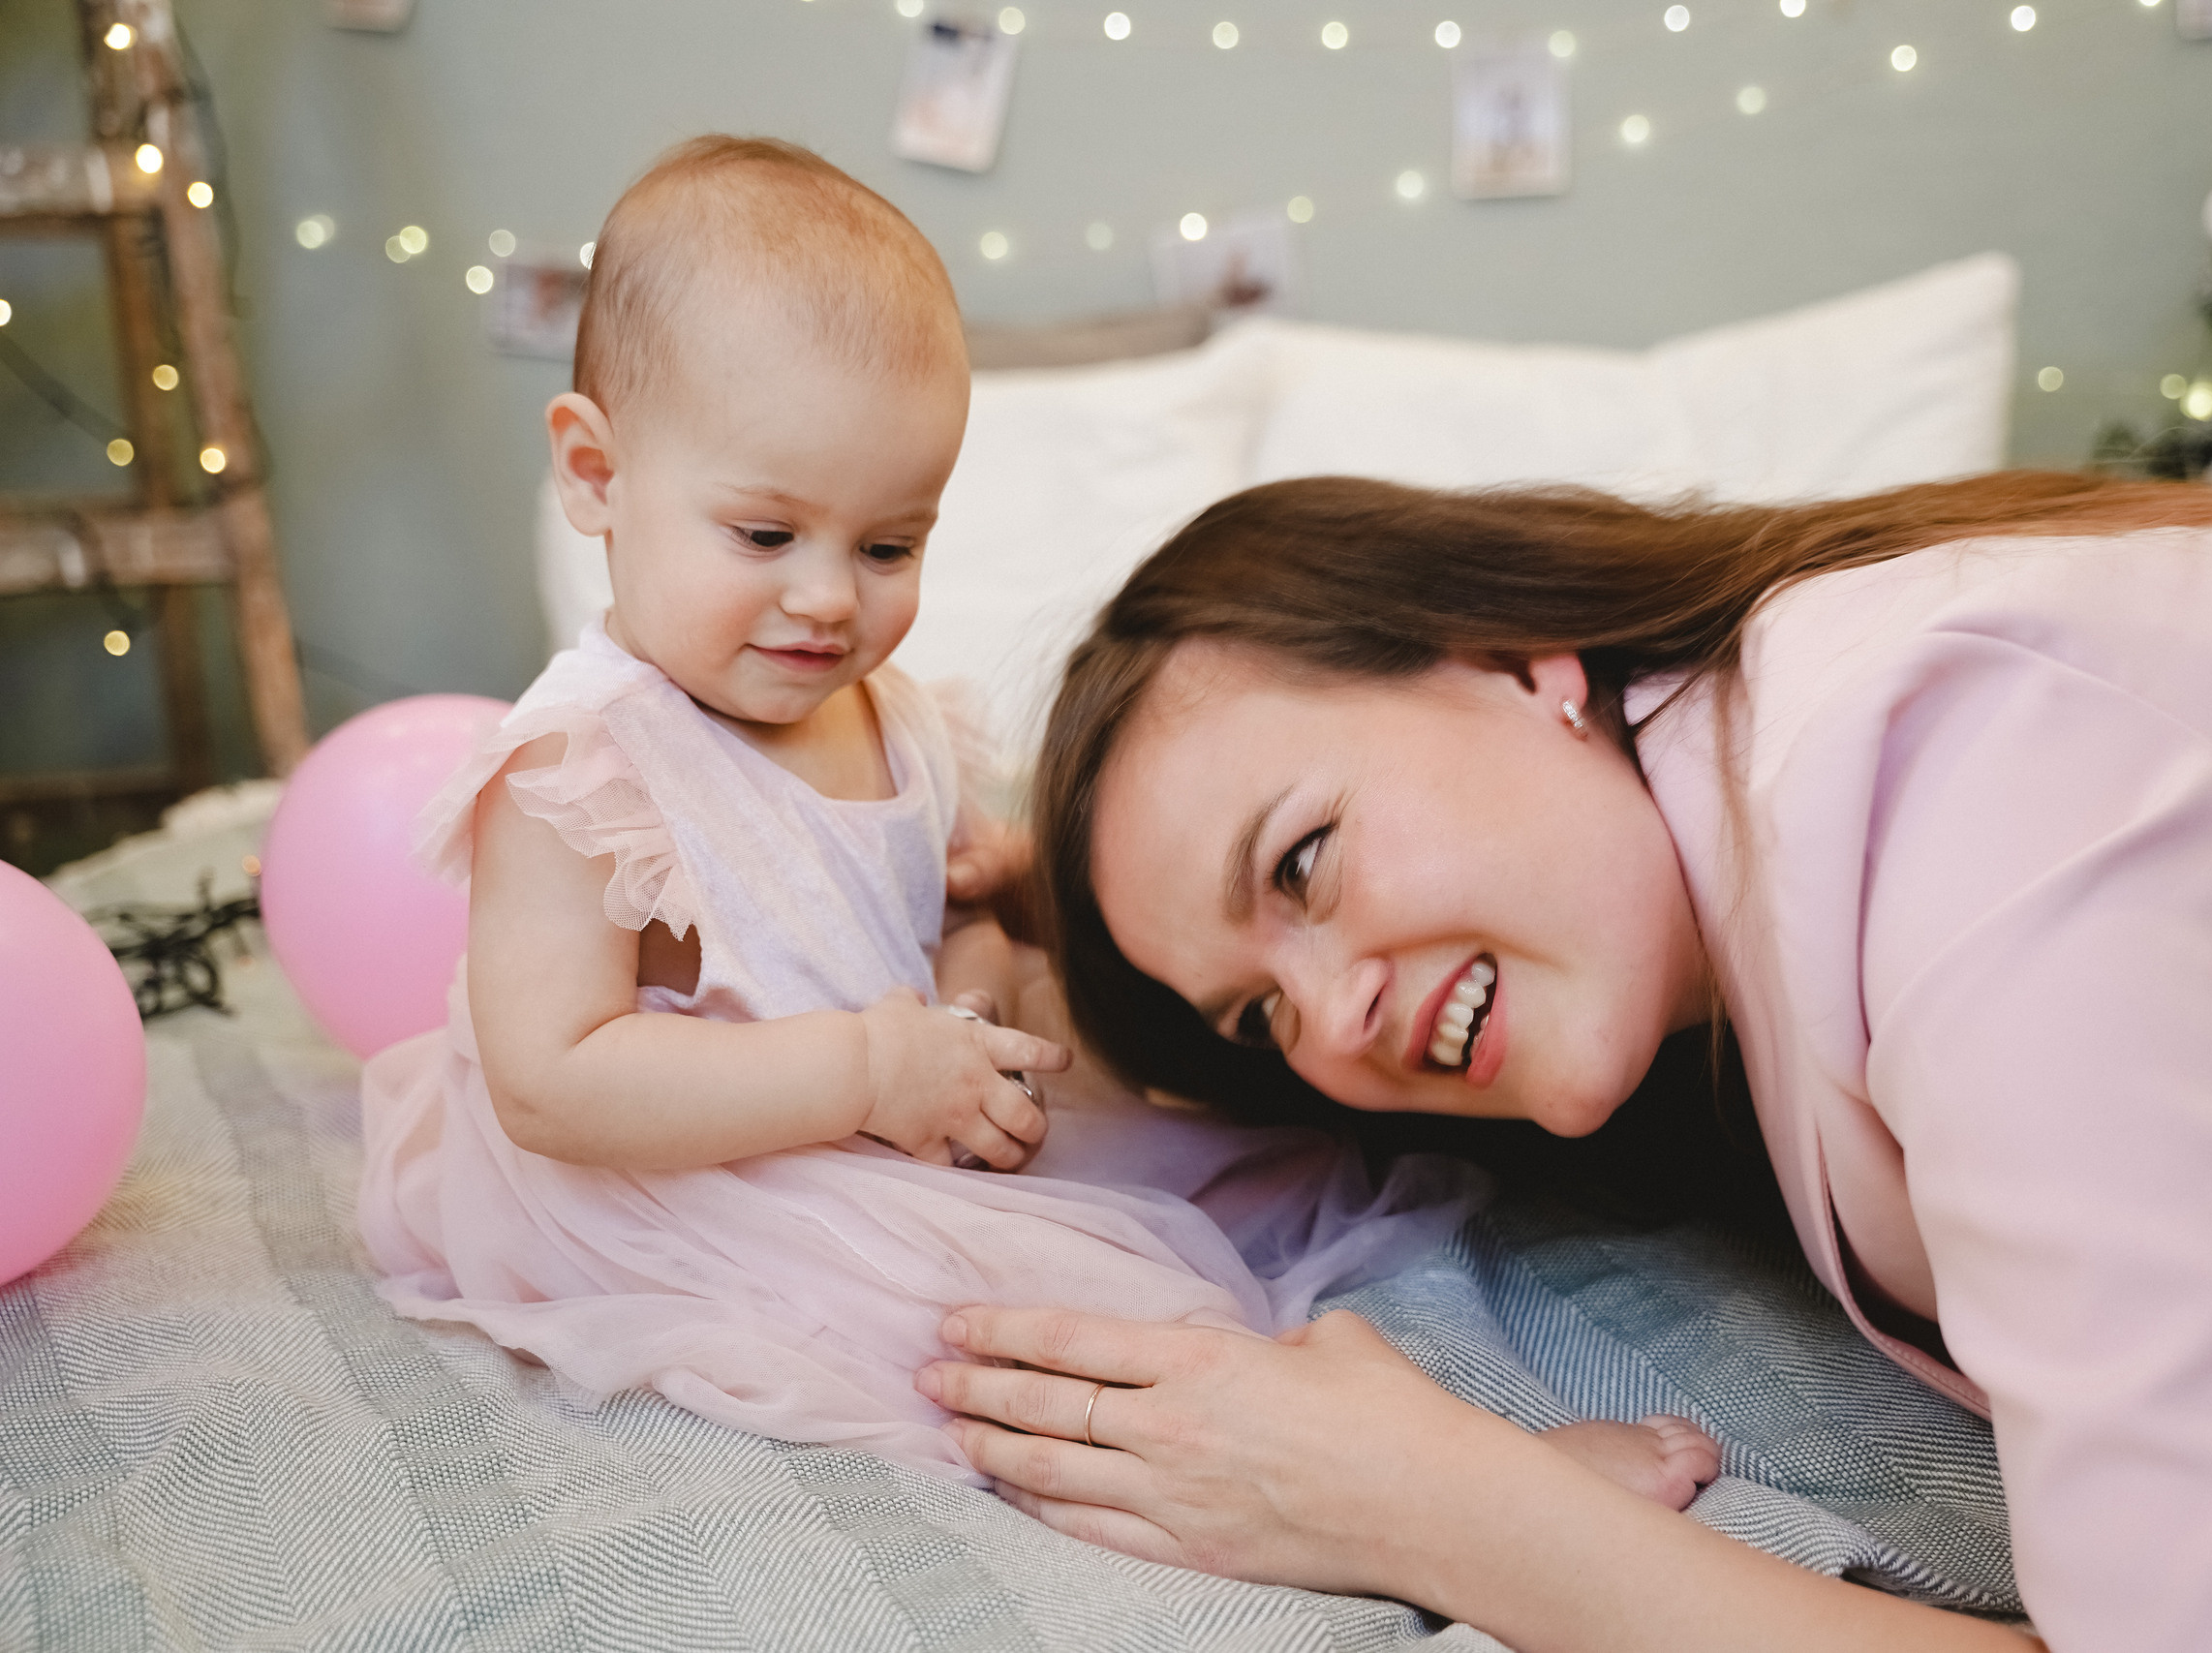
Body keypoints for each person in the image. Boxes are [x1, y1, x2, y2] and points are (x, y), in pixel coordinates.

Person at [916, 472, 2212, 1652]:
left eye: (1307, 863)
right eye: (1257, 1014)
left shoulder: (1963, 797)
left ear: (1521, 664)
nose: (1330, 1028)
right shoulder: (1763, 856)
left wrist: (1439, 1509)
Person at [355, 138, 1512, 1482]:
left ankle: (1419, 1435)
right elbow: (555, 1084)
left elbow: (936, 914)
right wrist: (869, 1071)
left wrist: (968, 996)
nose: (833, 599)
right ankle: (1402, 1472)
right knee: (1088, 1333)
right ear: (598, 477)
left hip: (916, 1109)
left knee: (1253, 1149)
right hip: (717, 1177)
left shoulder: (891, 704)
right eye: (767, 536)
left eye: (890, 545)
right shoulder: (584, 774)